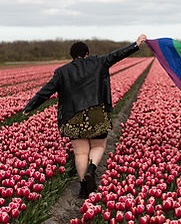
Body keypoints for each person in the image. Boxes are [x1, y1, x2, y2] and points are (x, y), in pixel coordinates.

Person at [23, 34, 147, 198]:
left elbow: (46, 91)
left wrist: (29, 107)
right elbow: (117, 55)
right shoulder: (98, 62)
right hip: (95, 113)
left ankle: (83, 187)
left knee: (80, 153)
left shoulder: (62, 71)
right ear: (87, 53)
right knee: (98, 146)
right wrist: (136, 45)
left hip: (73, 116)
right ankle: (92, 168)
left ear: (72, 56)